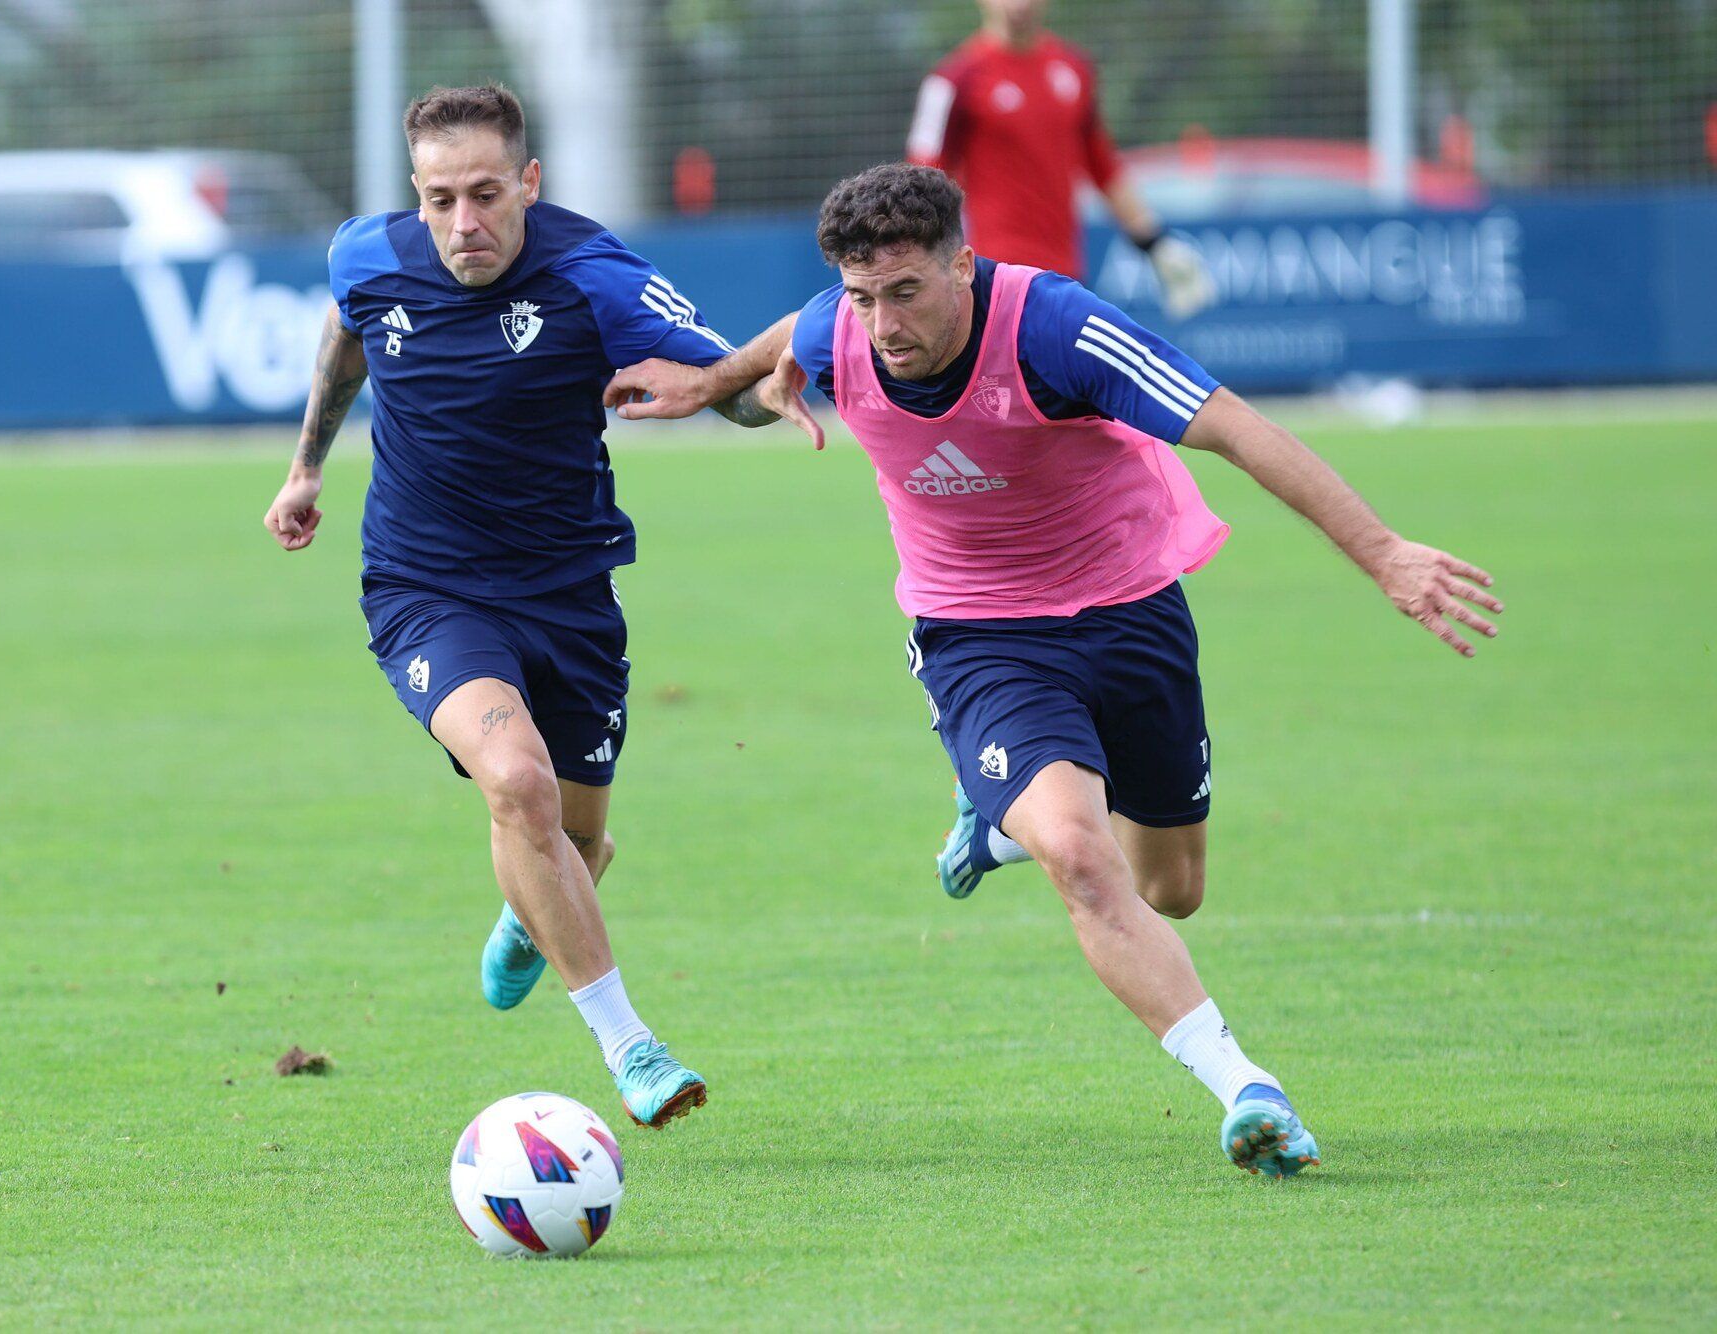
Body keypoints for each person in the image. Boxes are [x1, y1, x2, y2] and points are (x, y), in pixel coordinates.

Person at [603, 164, 1502, 1176]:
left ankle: (994, 820)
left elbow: (1236, 431)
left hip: (1127, 610)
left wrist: (1381, 552)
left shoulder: (1054, 330)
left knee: (1171, 885)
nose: (882, 324)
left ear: (964, 265)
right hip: (977, 633)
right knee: (1080, 854)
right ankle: (1244, 1085)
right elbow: (794, 334)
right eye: (863, 297)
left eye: (907, 293)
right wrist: (713, 380)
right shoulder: (841, 326)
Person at [263, 85, 776, 1128]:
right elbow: (347, 333)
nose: (464, 222)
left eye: (487, 193)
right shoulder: (368, 253)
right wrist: (304, 467)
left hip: (568, 596)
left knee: (574, 844)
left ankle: (526, 908)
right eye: (440, 198)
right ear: (414, 193)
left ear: (528, 183)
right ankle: (632, 1046)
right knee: (516, 783)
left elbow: (720, 374)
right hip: (425, 589)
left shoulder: (592, 274)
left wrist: (772, 388)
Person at [908, 0, 1214, 316]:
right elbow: (922, 179)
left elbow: (1101, 165)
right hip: (994, 277)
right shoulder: (952, 80)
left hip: (1064, 275)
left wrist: (1155, 242)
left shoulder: (1074, 69)